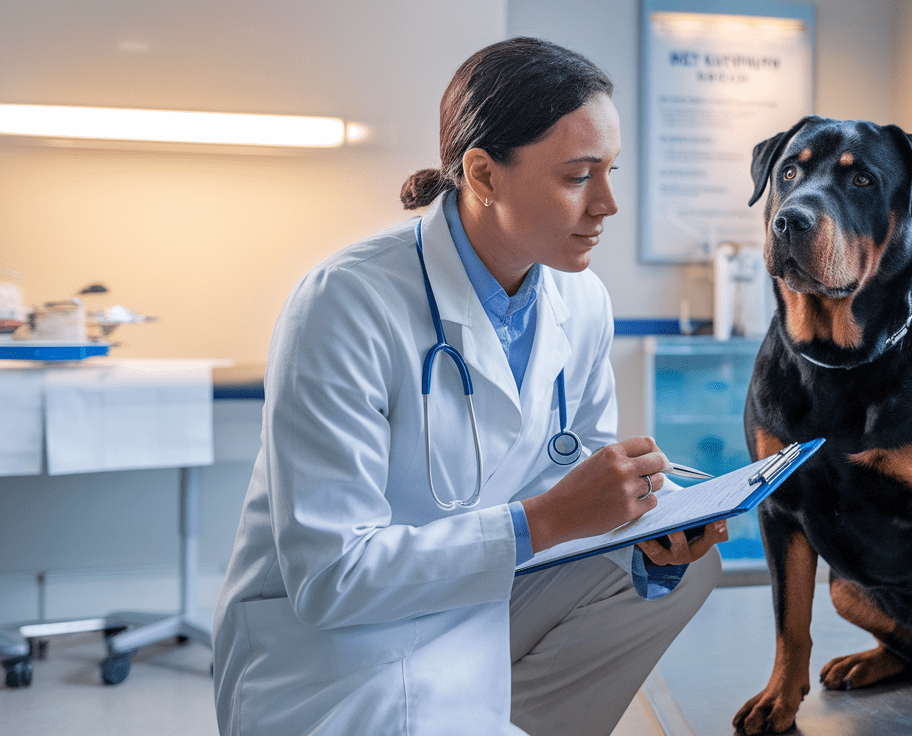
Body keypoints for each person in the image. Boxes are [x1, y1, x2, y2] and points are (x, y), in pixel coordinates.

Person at [212, 37, 727, 736]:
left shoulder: (582, 303)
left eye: (610, 171)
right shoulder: (345, 303)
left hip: (480, 600)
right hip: (343, 651)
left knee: (686, 567)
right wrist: (542, 520)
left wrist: (649, 522)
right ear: (483, 175)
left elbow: (577, 479)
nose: (607, 203)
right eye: (579, 176)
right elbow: (331, 578)